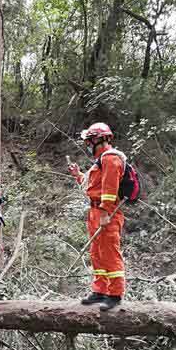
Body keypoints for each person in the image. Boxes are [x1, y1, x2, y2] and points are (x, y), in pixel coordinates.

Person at [67, 122, 126, 311]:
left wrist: (104, 213)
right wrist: (78, 175)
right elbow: (93, 186)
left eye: (89, 142)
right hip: (95, 212)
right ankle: (99, 290)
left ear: (98, 140)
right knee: (97, 253)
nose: (88, 145)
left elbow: (110, 190)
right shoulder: (100, 161)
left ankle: (115, 294)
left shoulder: (111, 159)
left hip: (107, 213)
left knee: (109, 252)